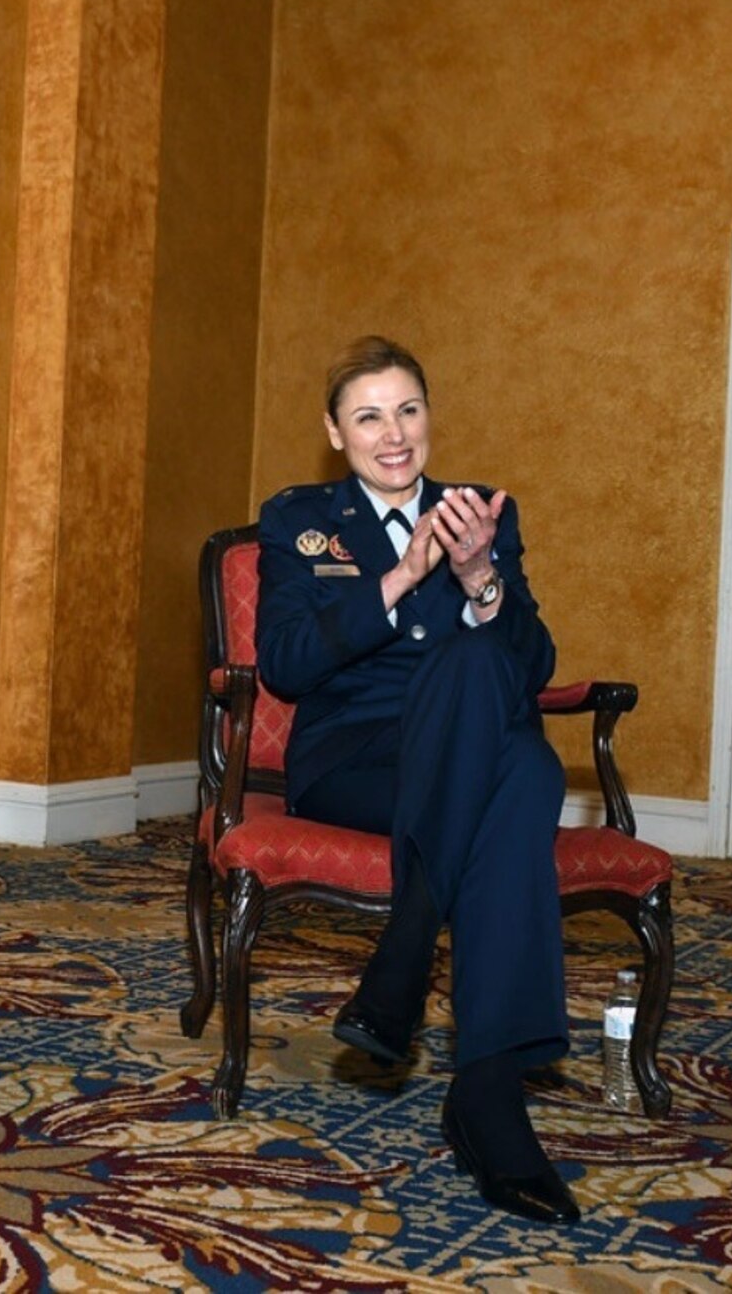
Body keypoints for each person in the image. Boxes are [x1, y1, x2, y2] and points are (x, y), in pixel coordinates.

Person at [254, 335, 577, 1224]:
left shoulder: (482, 511)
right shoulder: (299, 519)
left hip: (463, 743)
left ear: (429, 415)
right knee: (526, 774)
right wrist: (400, 577)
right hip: (354, 758)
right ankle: (488, 1097)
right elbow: (282, 662)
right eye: (368, 416)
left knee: (486, 687)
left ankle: (413, 978)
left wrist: (481, 580)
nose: (392, 435)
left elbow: (535, 662)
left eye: (408, 410)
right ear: (335, 431)